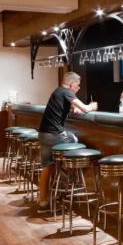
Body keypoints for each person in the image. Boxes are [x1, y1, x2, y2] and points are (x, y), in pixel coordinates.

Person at [37, 72, 97, 213]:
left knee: (47, 167)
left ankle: (43, 202)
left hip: (43, 135)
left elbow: (70, 108)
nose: (78, 88)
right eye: (77, 85)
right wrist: (91, 106)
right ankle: (68, 179)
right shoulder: (66, 91)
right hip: (54, 136)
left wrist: (75, 109)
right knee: (74, 139)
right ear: (71, 84)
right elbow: (85, 108)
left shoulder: (57, 91)